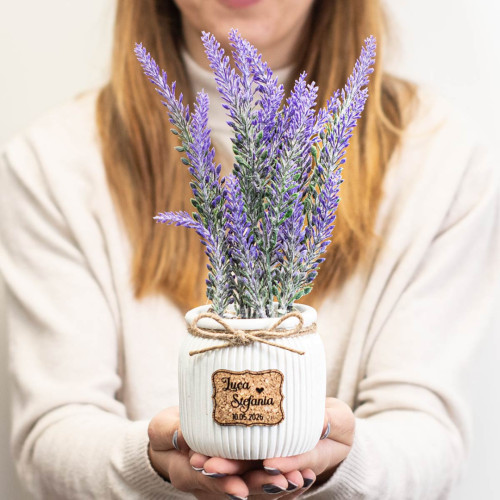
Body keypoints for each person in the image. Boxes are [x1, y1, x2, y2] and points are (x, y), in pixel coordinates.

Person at [0, 0, 498, 498]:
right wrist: (150, 461)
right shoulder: (52, 164)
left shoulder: (442, 161)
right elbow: (51, 438)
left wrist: (342, 461)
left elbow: (429, 434)